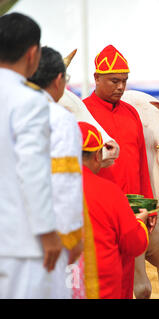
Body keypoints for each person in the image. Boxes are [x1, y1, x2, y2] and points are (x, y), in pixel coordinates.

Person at [82, 44, 154, 298]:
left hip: (130, 211)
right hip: (96, 213)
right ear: (96, 78)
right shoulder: (83, 112)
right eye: (114, 81)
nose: (121, 87)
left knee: (127, 278)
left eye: (124, 81)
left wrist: (149, 204)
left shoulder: (131, 113)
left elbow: (142, 164)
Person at [0, 12, 62, 298]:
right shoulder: (29, 100)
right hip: (19, 243)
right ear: (32, 53)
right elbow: (32, 169)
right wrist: (47, 231)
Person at [28, 46, 84, 298]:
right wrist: (71, 237)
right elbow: (65, 182)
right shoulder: (60, 118)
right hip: (47, 234)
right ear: (59, 79)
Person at [79, 121, 156, 299]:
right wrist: (140, 222)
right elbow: (135, 243)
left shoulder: (45, 188)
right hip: (102, 288)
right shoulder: (109, 192)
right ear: (98, 155)